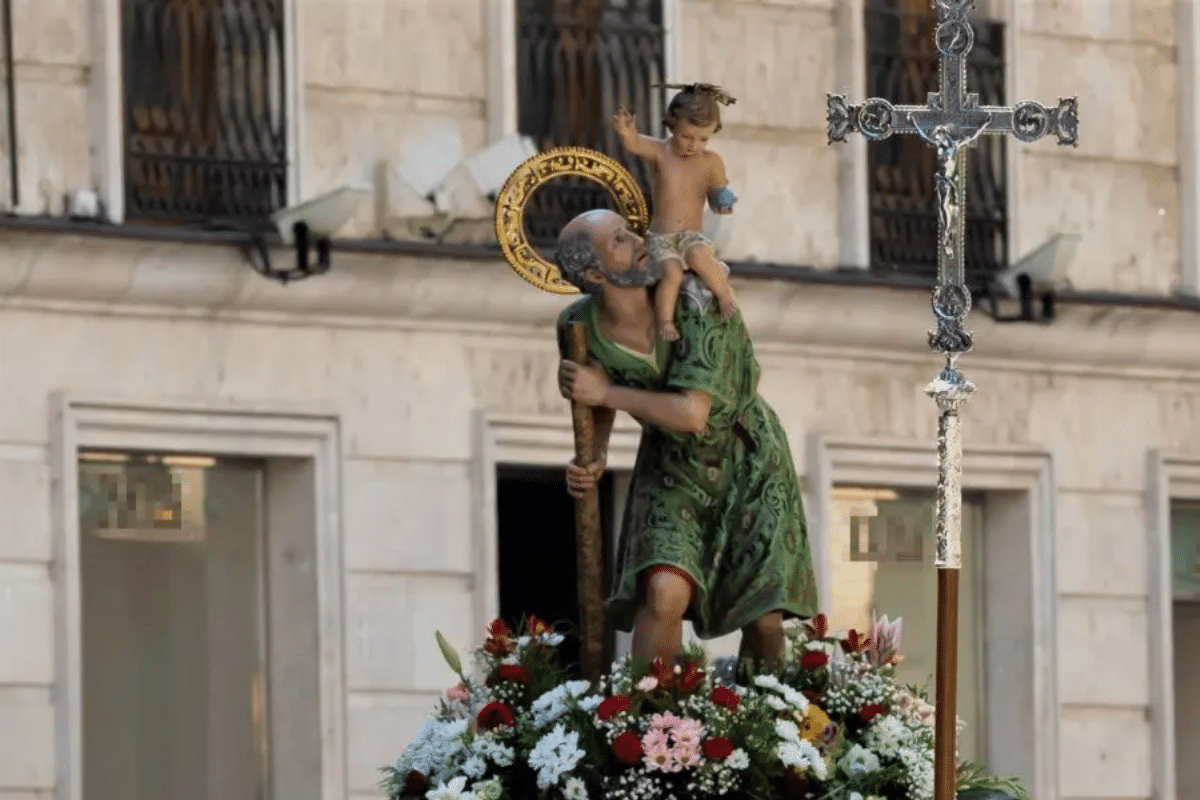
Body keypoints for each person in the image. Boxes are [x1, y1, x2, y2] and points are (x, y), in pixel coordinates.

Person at [553, 208, 818, 672]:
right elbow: (594, 401)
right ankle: (650, 723)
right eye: (618, 241)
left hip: (749, 460)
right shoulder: (578, 327)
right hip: (670, 468)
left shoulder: (697, 301)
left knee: (766, 623)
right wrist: (591, 458)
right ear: (596, 273)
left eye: (630, 230)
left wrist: (606, 391)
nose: (638, 240)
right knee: (662, 591)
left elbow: (694, 413)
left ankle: (771, 723)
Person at [612, 83, 740, 342]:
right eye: (687, 136)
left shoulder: (710, 162)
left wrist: (723, 203)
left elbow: (720, 190)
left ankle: (725, 294)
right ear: (672, 127)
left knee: (698, 256)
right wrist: (626, 132)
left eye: (703, 139)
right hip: (662, 237)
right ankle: (665, 321)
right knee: (672, 273)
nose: (694, 145)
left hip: (692, 234)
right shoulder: (662, 152)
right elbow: (636, 144)